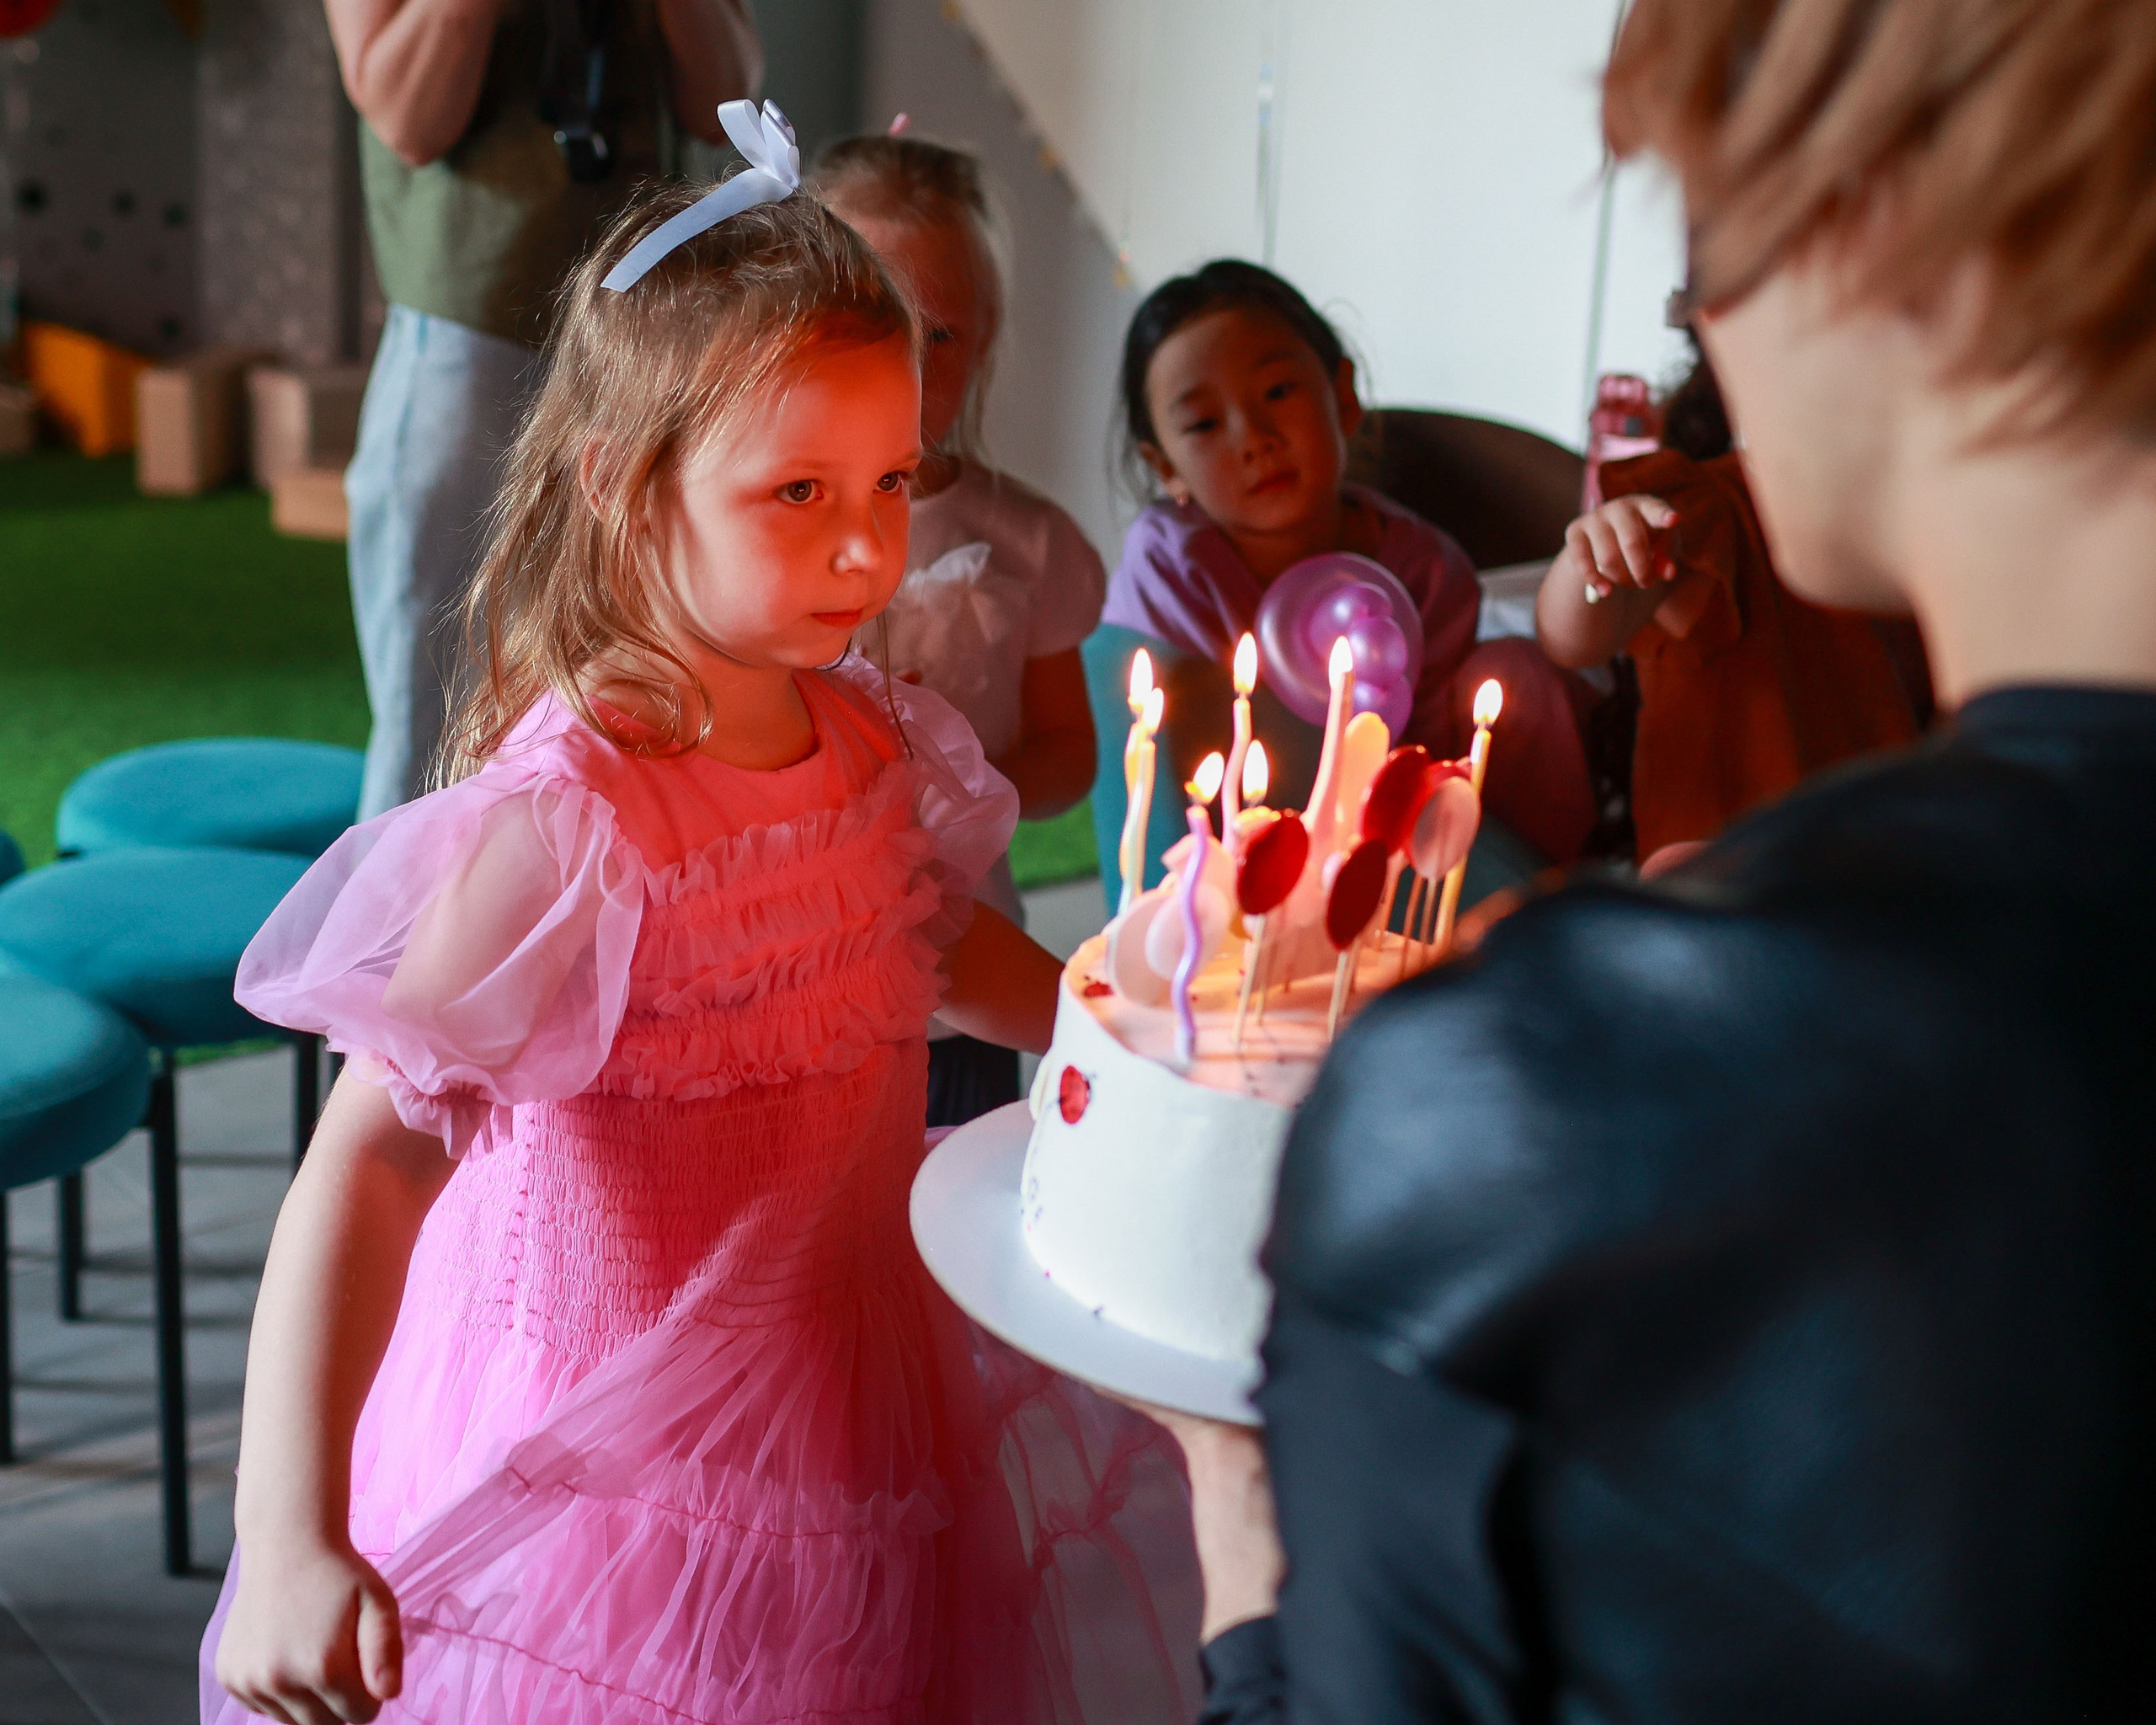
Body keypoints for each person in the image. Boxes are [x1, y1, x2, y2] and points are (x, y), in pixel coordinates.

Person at [1161, 0, 2156, 1717]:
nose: (1710, 314)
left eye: (1709, 222)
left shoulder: (1536, 1086)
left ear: (1856, 223)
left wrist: (1245, 1536)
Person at [202, 168, 1191, 1725]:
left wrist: (1117, 1016)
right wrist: (285, 1535)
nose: (868, 550)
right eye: (798, 494)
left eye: (889, 482)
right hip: (615, 1458)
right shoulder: (571, 821)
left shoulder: (869, 737)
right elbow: (372, 1164)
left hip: (855, 1402)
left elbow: (923, 943)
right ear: (623, 482)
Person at [327, 0, 762, 819]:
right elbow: (409, 120)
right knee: (438, 713)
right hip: (470, 313)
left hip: (641, 315)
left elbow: (722, 95)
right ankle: (399, 945)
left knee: (635, 678)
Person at [1102, 260, 1598, 866]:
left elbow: (1435, 754)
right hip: (1234, 859)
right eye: (1205, 423)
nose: (1254, 437)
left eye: (1278, 392)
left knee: (1519, 674)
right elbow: (1177, 745)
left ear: (1342, 397)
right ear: (1166, 466)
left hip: (1400, 857)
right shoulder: (1171, 568)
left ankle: (1552, 900)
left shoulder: (1425, 572)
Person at [811, 131, 1103, 1126]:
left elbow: (1071, 748)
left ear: (987, 337)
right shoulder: (775, 534)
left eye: (938, 335)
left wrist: (975, 792)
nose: (906, 365)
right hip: (804, 972)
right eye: (872, 325)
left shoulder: (1028, 541)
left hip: (969, 972)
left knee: (951, 1209)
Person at [1536, 344, 1932, 867]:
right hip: (1717, 883)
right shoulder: (1710, 509)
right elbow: (1574, 640)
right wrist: (1597, 555)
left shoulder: (1928, 541)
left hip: (1872, 887)